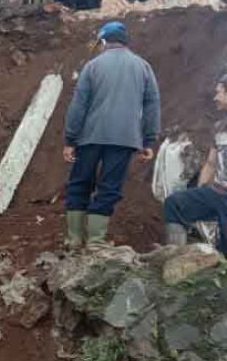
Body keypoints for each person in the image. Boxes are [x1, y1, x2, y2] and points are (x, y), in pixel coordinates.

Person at [64, 21, 161, 247]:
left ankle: (74, 240)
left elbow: (78, 106)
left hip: (90, 136)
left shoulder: (93, 66)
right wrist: (148, 139)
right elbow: (152, 105)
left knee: (80, 183)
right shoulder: (143, 67)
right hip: (125, 139)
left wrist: (70, 139)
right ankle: (96, 241)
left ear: (105, 41)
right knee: (109, 187)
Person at [164, 75, 227, 255]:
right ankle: (178, 259)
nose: (215, 98)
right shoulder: (220, 127)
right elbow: (210, 163)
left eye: (219, 93)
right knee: (175, 204)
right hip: (218, 193)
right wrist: (200, 190)